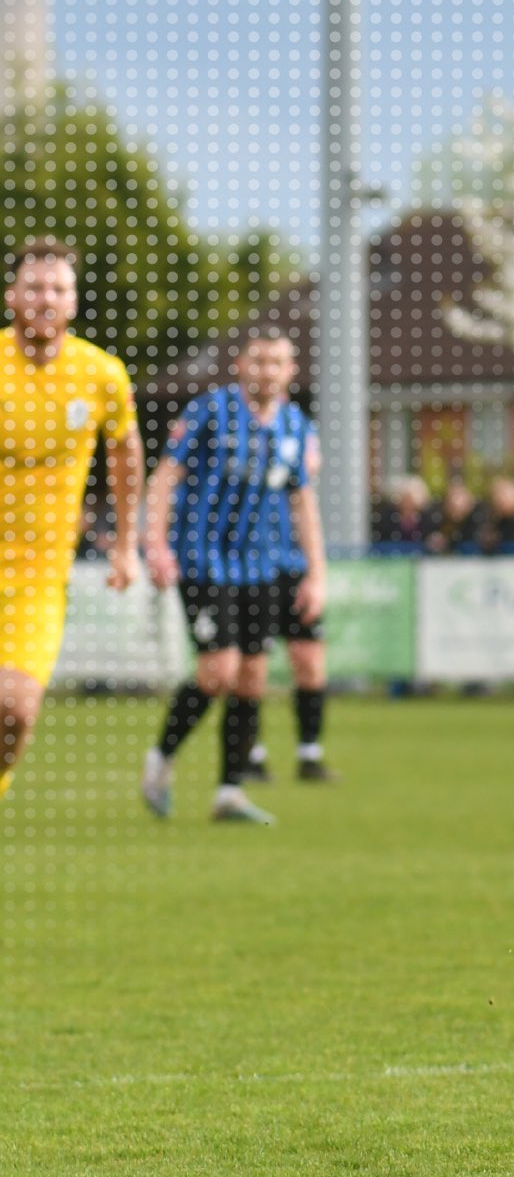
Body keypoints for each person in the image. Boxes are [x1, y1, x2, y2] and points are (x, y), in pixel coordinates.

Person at [139, 326, 326, 824]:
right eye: (258, 361)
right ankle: (160, 759)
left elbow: (303, 502)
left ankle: (230, 792)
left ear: (290, 371)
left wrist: (316, 575)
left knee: (252, 677)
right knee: (216, 672)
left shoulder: (294, 425)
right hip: (203, 560)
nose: (267, 370)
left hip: (261, 567)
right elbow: (165, 478)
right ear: (241, 365)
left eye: (277, 362)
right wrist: (154, 544)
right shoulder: (209, 411)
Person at [0, 237, 142, 798]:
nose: (45, 298)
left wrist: (126, 543)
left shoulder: (101, 375)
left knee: (15, 708)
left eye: (58, 288)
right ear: (12, 295)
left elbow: (126, 451)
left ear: (75, 301)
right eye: (35, 287)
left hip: (36, 580)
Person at [245, 409, 335, 785]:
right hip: (250, 564)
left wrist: (316, 571)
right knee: (252, 667)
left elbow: (307, 480)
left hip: (294, 565)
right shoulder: (230, 423)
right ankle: (250, 754)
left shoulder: (297, 426)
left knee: (309, 659)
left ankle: (309, 754)